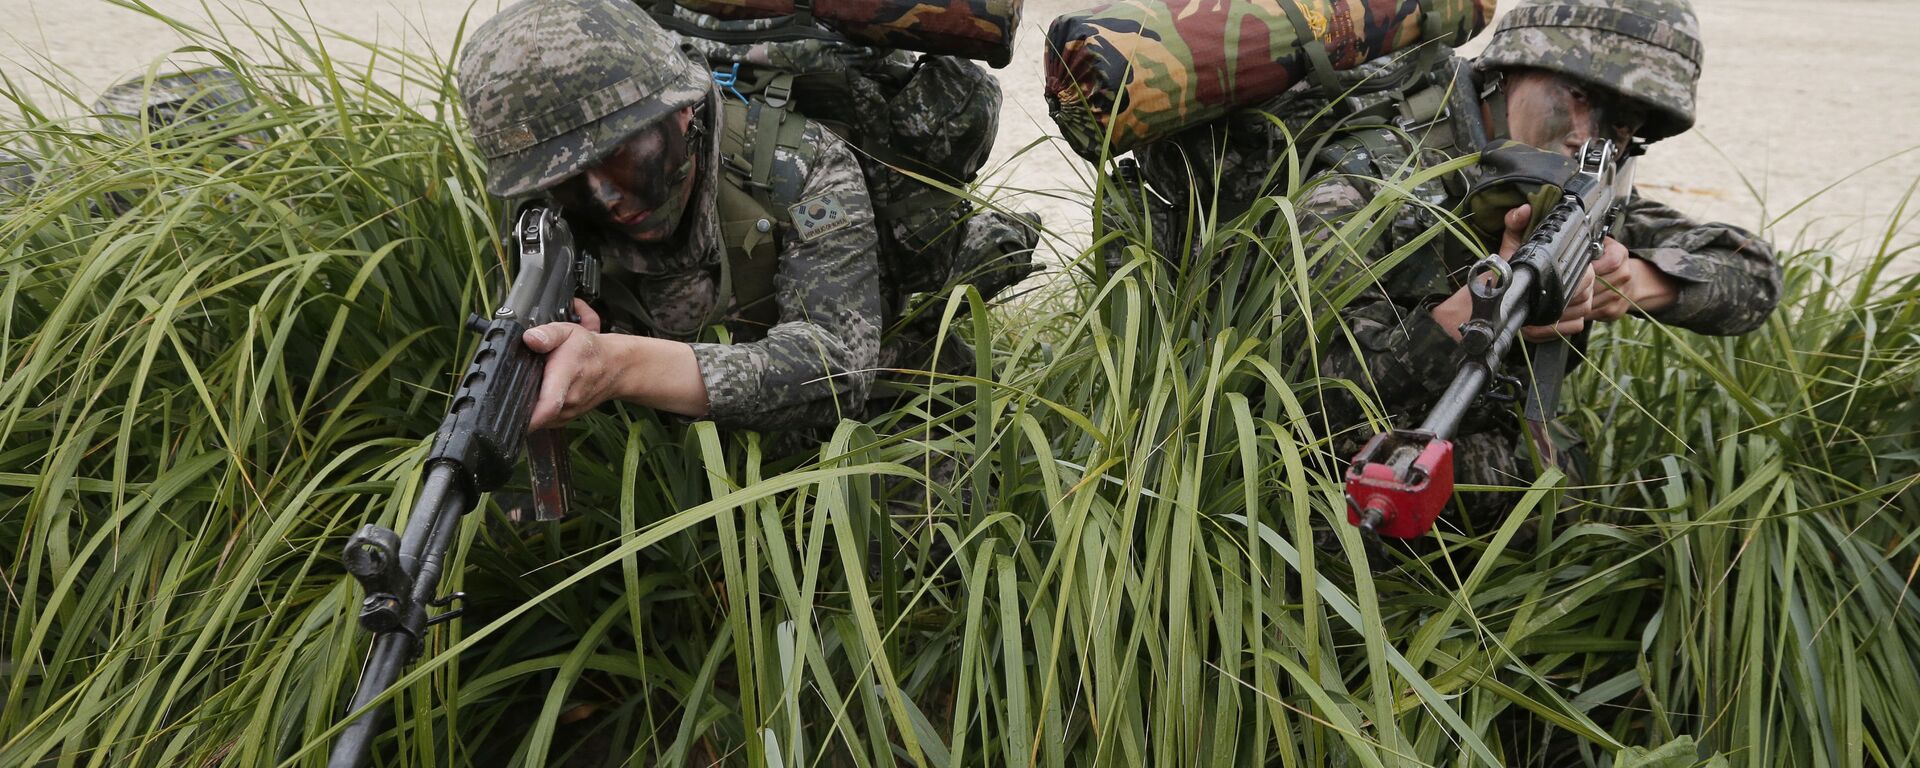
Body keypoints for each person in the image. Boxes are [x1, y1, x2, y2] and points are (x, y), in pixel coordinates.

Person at [1132, 0, 1781, 524]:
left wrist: (1640, 281)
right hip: (1289, 471)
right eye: (1580, 95)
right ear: (1516, 66)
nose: (1590, 133)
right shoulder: (1371, 176)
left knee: (1556, 482)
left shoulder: (1578, 183)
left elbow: (1754, 275)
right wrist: (1461, 321)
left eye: (1622, 120)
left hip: (1440, 447)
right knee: (1517, 481)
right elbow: (1290, 389)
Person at [456, 0, 990, 440]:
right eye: (567, 173)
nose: (604, 196)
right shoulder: (547, 204)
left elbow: (836, 369)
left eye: (619, 153)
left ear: (683, 109)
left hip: (858, 425)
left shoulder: (800, 164)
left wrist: (618, 364)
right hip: (663, 448)